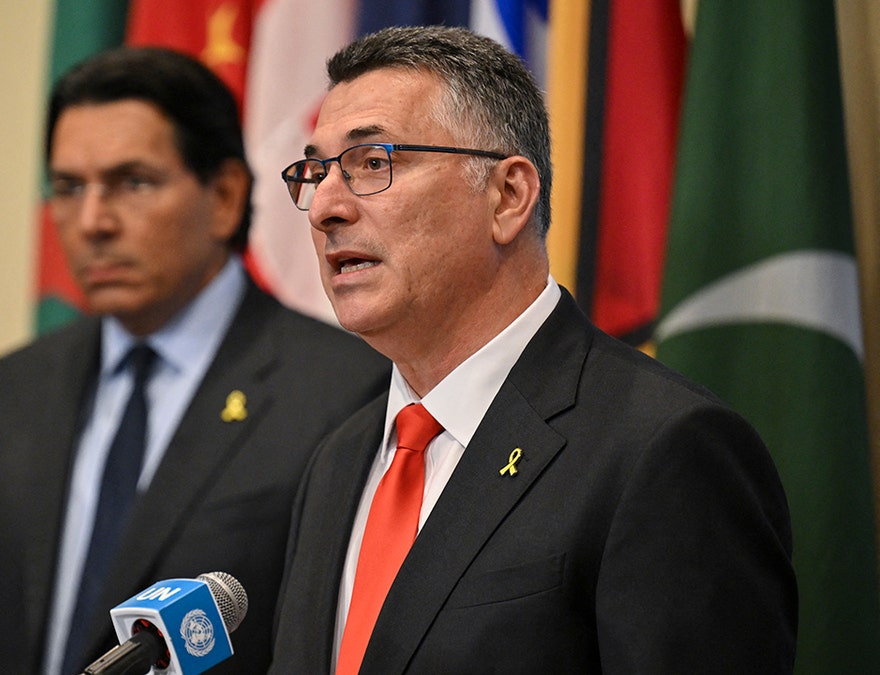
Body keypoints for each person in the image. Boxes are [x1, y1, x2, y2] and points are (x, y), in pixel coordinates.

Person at [269, 26, 797, 674]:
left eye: (371, 162)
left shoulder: (663, 449)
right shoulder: (337, 460)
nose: (323, 206)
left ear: (508, 195)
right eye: (315, 171)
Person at [0, 47, 388, 675]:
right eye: (69, 188)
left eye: (133, 183)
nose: (92, 221)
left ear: (227, 196)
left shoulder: (346, 389)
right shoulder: (12, 389)